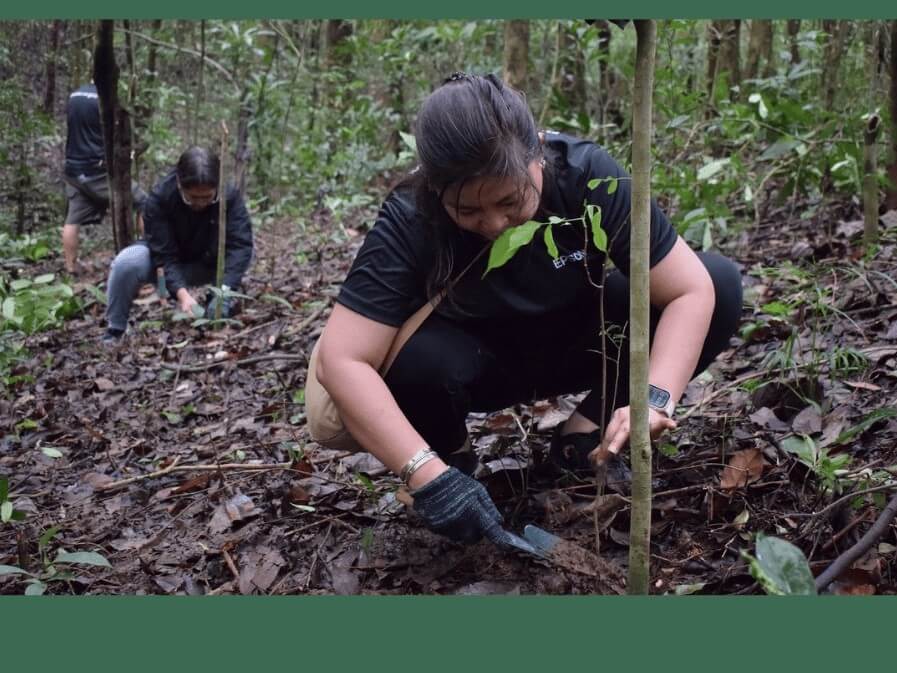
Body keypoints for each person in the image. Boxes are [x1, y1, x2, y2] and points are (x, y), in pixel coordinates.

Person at [313, 73, 742, 546]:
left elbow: (691, 290)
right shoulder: (411, 216)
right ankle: (453, 463)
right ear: (436, 190)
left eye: (510, 201)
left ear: (537, 152)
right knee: (411, 362)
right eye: (468, 211)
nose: (494, 224)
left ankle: (585, 437)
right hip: (479, 361)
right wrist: (424, 472)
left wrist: (655, 399)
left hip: (582, 340)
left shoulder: (588, 176)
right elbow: (342, 359)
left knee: (720, 283)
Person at [101, 146, 254, 344]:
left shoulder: (229, 196)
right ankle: (116, 329)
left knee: (249, 251)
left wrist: (223, 293)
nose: (200, 203)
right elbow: (163, 255)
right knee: (127, 262)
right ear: (180, 185)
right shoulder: (160, 198)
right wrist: (182, 295)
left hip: (211, 263)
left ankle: (215, 300)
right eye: (193, 197)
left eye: (207, 197)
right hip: (169, 266)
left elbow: (240, 245)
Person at [61, 82, 147, 274]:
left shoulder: (74, 96)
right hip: (96, 171)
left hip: (74, 169)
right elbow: (113, 135)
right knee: (144, 202)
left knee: (72, 218)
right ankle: (146, 251)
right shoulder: (106, 101)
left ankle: (70, 268)